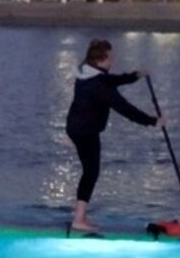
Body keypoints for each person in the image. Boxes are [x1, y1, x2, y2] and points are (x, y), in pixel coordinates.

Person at [65, 38, 162, 232]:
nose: (113, 60)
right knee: (91, 172)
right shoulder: (98, 86)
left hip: (76, 127)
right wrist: (152, 121)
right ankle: (79, 219)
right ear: (101, 59)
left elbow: (111, 80)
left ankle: (79, 211)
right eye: (111, 57)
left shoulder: (86, 72)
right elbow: (124, 108)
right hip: (85, 131)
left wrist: (135, 75)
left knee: (89, 170)